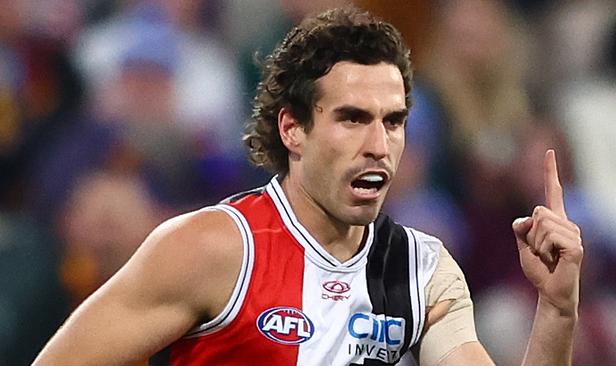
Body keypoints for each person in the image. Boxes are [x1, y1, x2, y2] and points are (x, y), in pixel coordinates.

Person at [33, 7, 583, 366]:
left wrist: (556, 311)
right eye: (352, 118)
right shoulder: (210, 248)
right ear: (293, 128)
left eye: (392, 121)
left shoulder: (424, 270)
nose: (378, 144)